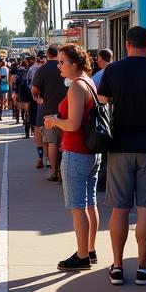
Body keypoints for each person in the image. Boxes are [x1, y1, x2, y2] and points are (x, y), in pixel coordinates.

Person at [97, 25, 146, 286]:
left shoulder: (113, 70)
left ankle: (117, 267)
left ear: (127, 44)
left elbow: (102, 104)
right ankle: (143, 266)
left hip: (119, 147)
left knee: (119, 209)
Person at [43, 44, 99, 271]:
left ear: (75, 63)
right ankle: (91, 250)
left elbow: (73, 124)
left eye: (62, 61)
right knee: (90, 202)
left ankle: (82, 254)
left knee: (78, 206)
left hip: (77, 150)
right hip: (91, 151)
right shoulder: (90, 82)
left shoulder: (77, 86)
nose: (59, 66)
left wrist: (54, 121)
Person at [32, 45, 68, 183]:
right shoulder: (64, 67)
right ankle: (63, 172)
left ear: (47, 54)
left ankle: (54, 172)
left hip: (48, 111)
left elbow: (34, 90)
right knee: (65, 142)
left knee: (52, 142)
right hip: (66, 111)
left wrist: (37, 97)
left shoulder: (42, 69)